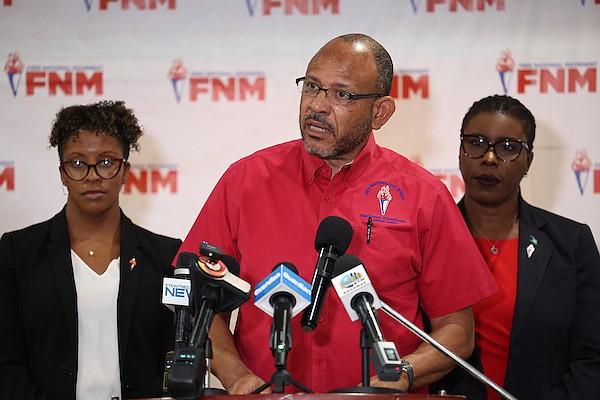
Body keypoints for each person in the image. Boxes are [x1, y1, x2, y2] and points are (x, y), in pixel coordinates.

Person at [176, 33, 497, 395]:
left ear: (380, 112)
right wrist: (237, 377)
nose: (318, 105)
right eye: (312, 86)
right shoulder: (245, 181)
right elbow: (198, 297)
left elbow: (456, 329)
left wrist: (400, 375)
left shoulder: (424, 195)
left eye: (342, 94)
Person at [0, 101, 182, 400]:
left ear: (125, 171)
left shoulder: (165, 256)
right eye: (78, 163)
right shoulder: (17, 253)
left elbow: (173, 361)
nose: (93, 175)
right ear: (62, 173)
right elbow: (6, 362)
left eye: (107, 162)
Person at [435, 94, 600, 399]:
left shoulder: (571, 243)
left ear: (529, 161)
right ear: (460, 152)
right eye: (476, 143)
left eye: (508, 148)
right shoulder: (429, 238)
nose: (489, 158)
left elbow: (592, 357)